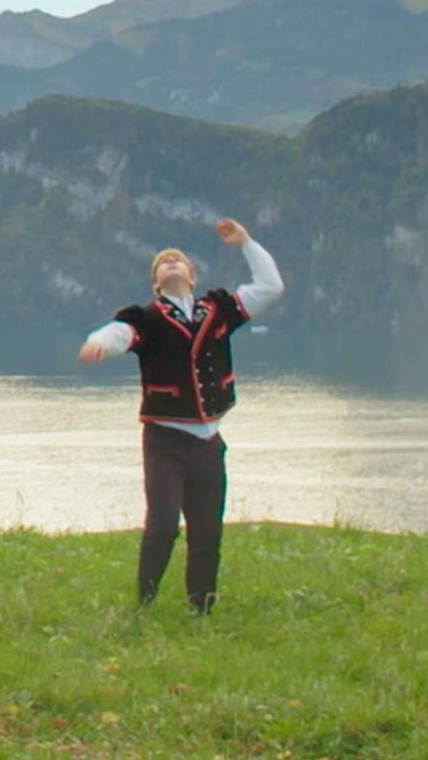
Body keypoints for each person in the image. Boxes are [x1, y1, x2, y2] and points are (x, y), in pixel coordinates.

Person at [76, 219, 284, 612]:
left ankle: (201, 609)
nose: (171, 262)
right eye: (162, 263)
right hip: (164, 443)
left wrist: (246, 243)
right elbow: (120, 333)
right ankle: (145, 604)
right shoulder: (148, 318)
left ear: (192, 276)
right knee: (163, 526)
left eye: (178, 260)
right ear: (157, 284)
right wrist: (97, 342)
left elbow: (271, 287)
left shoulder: (218, 309)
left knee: (208, 532)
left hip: (209, 444)